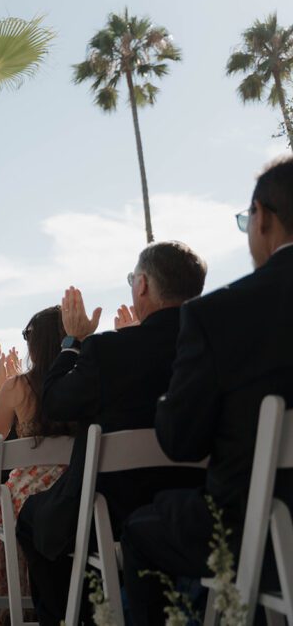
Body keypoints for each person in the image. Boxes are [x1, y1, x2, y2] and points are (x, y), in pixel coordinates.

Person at [123, 159, 293, 625]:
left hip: (256, 528)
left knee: (142, 528)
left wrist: (169, 398)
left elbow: (181, 441)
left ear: (262, 217)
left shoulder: (221, 314)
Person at [15, 241, 208, 626]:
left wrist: (72, 343)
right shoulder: (213, 341)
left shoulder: (108, 351)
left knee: (32, 519)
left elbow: (56, 403)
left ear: (142, 286)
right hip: (196, 506)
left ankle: (68, 617)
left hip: (110, 510)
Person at [0, 306, 72, 607]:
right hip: (75, 486)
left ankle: (10, 604)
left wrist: (3, 380)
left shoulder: (18, 386)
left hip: (27, 494)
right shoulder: (83, 379)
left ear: (35, 343)